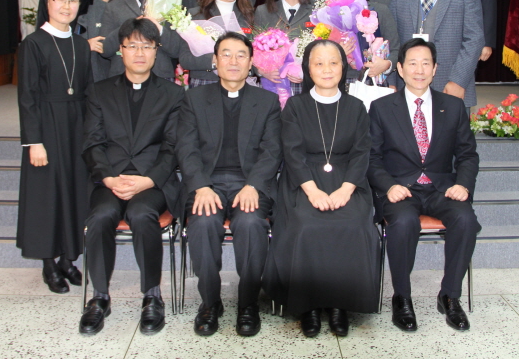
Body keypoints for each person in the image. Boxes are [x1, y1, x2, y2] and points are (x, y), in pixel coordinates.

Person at [264, 39, 380, 338]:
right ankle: (309, 306)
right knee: (306, 223)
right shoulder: (295, 105)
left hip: (348, 180)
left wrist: (346, 189)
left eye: (333, 62)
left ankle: (341, 304)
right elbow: (292, 152)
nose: (326, 69)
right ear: (308, 68)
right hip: (302, 180)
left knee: (354, 222)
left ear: (343, 67)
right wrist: (313, 191)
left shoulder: (355, 107)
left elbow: (361, 152)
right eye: (318, 63)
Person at [79, 18, 185, 336]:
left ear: (156, 51)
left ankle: (152, 295)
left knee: (141, 213)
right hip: (110, 179)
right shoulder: (99, 92)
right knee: (101, 216)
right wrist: (109, 178)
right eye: (132, 45)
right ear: (121, 50)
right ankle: (99, 297)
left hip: (153, 182)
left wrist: (149, 180)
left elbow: (174, 147)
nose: (140, 52)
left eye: (147, 46)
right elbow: (92, 143)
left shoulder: (173, 94)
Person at [367, 38, 480, 332]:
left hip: (442, 187)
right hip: (400, 189)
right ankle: (402, 297)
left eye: (426, 63)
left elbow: (467, 154)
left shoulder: (453, 107)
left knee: (466, 220)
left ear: (435, 69)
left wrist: (464, 185)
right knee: (403, 223)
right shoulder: (381, 108)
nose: (419, 70)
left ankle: (450, 296)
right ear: (400, 69)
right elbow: (371, 157)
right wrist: (388, 185)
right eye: (412, 64)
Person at [177, 32, 282, 337]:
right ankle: (210, 303)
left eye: (240, 55)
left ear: (251, 62)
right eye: (226, 54)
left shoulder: (267, 101)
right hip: (206, 184)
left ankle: (248, 302)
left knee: (250, 224)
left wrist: (254, 185)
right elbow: (186, 148)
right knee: (203, 224)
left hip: (249, 184)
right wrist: (199, 185)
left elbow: (272, 150)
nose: (233, 61)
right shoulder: (193, 99)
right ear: (214, 60)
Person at [16, 0, 91, 295]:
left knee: (75, 192)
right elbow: (27, 96)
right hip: (46, 127)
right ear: (47, 2)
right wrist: (34, 141)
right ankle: (48, 262)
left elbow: (86, 92)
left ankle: (68, 259)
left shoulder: (81, 44)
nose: (66, 6)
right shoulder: (33, 44)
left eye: (72, 0)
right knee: (47, 196)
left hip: (77, 126)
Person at [179, 0, 255, 87]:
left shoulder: (250, 16)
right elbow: (185, 59)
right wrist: (217, 61)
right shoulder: (196, 15)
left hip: (240, 85)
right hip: (205, 83)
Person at [328, 0, 399, 85]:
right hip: (338, 82)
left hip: (373, 81)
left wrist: (386, 64)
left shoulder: (380, 11)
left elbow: (396, 49)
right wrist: (335, 55)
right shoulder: (328, 16)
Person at [253, 0, 310, 95]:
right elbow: (252, 48)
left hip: (304, 87)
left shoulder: (316, 12)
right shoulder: (263, 11)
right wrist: (261, 71)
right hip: (273, 84)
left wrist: (306, 73)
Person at [58, 0, 110, 82]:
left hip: (96, 80)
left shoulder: (102, 7)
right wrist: (85, 46)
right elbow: (49, 46)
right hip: (64, 78)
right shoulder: (56, 5)